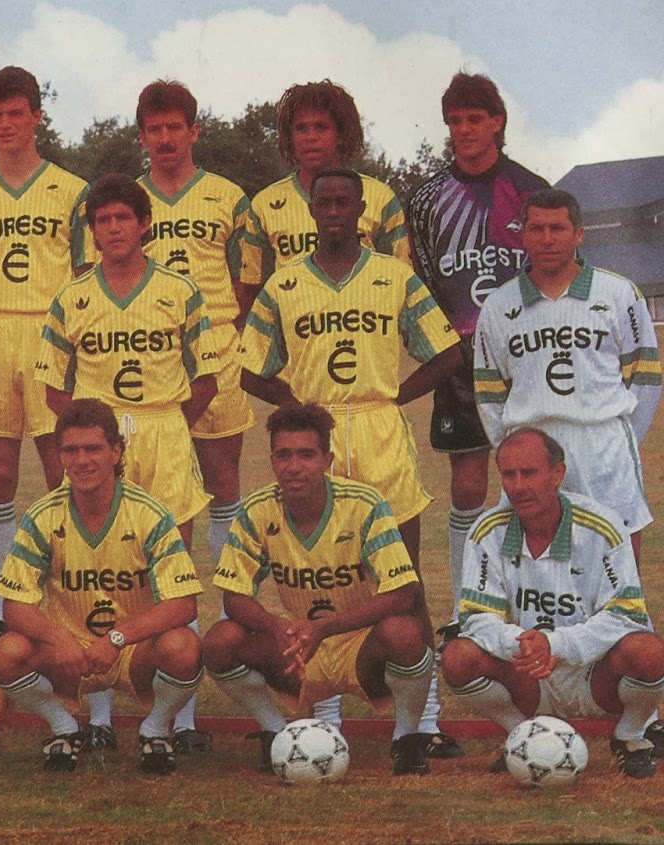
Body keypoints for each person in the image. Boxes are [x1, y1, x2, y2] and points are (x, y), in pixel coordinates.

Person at [238, 167, 462, 752]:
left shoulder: (395, 277)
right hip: (317, 433)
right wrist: (294, 404)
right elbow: (249, 367)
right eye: (325, 202)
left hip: (379, 428)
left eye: (344, 201)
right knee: (320, 573)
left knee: (405, 579)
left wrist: (395, 397)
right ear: (311, 210)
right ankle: (324, 710)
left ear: (361, 210)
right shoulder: (285, 284)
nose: (334, 210)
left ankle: (425, 721)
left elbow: (448, 352)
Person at [38, 172, 218, 752]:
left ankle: (179, 721)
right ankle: (99, 716)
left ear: (144, 224)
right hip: (98, 438)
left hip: (163, 431)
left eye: (123, 218)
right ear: (91, 231)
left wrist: (166, 427)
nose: (113, 228)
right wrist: (92, 439)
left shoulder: (181, 290)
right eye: (103, 220)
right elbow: (54, 389)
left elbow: (206, 379)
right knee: (97, 568)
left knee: (172, 573)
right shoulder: (72, 297)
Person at [203, 403, 436, 776]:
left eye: (306, 455)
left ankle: (407, 739)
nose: (294, 466)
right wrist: (277, 627)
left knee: (406, 632)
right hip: (297, 647)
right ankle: (274, 731)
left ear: (327, 460)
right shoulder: (256, 511)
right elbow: (234, 597)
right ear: (272, 460)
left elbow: (403, 593)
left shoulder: (365, 505)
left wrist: (324, 628)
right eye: (284, 455)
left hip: (360, 646)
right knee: (219, 641)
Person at [0, 66, 96, 624]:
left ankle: (69, 602)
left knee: (65, 473)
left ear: (36, 116)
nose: (5, 124)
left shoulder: (72, 191)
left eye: (15, 113)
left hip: (49, 334)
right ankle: (4, 607)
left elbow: (84, 274)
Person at [0, 399, 205, 774]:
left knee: (184, 647)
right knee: (5, 653)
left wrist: (118, 638)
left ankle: (155, 730)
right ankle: (64, 728)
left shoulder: (149, 514)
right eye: (71, 450)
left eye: (93, 449)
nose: (82, 460)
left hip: (132, 651)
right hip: (70, 651)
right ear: (59, 456)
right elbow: (14, 606)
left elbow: (184, 604)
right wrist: (59, 639)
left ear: (116, 452)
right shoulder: (42, 516)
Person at [442, 427, 664, 778]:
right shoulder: (487, 530)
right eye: (509, 475)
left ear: (557, 474)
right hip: (527, 670)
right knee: (457, 657)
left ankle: (630, 736)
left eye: (529, 473)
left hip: (593, 671)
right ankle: (520, 735)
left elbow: (626, 615)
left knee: (649, 652)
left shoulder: (603, 527)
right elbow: (476, 618)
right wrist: (521, 643)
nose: (518, 486)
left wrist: (556, 644)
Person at [407, 73, 550, 613]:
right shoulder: (426, 199)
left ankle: (538, 599)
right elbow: (422, 278)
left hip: (527, 355)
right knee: (467, 483)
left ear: (497, 122)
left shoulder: (532, 190)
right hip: (462, 359)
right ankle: (467, 607)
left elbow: (552, 270)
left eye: (474, 119)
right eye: (455, 120)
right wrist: (442, 344)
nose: (464, 129)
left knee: (533, 475)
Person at [473, 189, 659, 554]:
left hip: (602, 446)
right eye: (536, 229)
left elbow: (646, 376)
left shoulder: (619, 293)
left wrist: (622, 437)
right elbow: (489, 392)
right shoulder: (498, 305)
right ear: (523, 235)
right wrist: (517, 451)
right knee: (533, 563)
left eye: (557, 228)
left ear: (579, 234)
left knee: (617, 558)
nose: (547, 239)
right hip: (532, 445)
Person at [134, 80, 261, 568]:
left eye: (174, 127)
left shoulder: (228, 197)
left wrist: (220, 329)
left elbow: (244, 281)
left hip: (217, 348)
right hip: (150, 353)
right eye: (154, 129)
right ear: (142, 136)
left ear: (194, 131)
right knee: (153, 484)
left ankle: (231, 600)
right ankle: (166, 600)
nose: (165, 138)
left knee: (222, 478)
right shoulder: (130, 200)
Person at [245, 80, 410, 280]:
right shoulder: (264, 204)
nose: (311, 137)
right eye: (301, 129)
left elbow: (403, 277)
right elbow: (252, 285)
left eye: (321, 127)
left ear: (341, 134)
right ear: (290, 137)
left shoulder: (380, 198)